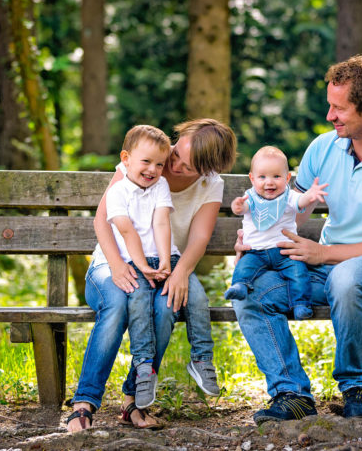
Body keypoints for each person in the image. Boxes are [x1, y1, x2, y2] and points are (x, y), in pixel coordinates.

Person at [232, 55, 362, 424]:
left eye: (339, 108)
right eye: (329, 105)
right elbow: (293, 211)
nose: (329, 116)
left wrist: (322, 253)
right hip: (327, 266)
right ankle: (291, 394)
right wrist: (255, 234)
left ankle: (356, 386)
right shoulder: (323, 149)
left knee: (348, 276)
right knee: (251, 293)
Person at [66, 118, 237, 432]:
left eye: (186, 166)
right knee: (117, 303)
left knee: (166, 308)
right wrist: (118, 266)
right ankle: (83, 403)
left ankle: (134, 400)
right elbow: (103, 222)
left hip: (164, 266)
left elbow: (199, 238)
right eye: (175, 154)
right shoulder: (142, 161)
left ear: (207, 170)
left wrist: (180, 272)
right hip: (112, 262)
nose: (172, 165)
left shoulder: (211, 185)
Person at [102, 125, 179, 409]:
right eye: (146, 161)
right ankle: (144, 362)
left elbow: (161, 223)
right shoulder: (118, 191)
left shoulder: (159, 186)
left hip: (156, 261)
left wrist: (165, 262)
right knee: (136, 299)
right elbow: (127, 231)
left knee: (166, 307)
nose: (153, 169)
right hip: (133, 264)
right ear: (125, 159)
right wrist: (143, 265)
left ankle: (142, 380)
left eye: (160, 164)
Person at [224, 146, 328, 320]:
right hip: (255, 251)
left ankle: (301, 304)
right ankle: (240, 286)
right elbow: (243, 208)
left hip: (284, 252)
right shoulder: (251, 197)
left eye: (276, 176)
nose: (269, 182)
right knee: (244, 266)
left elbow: (300, 201)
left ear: (287, 178)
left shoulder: (289, 197)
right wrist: (238, 206)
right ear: (252, 178)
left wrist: (310, 195)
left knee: (298, 273)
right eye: (262, 177)